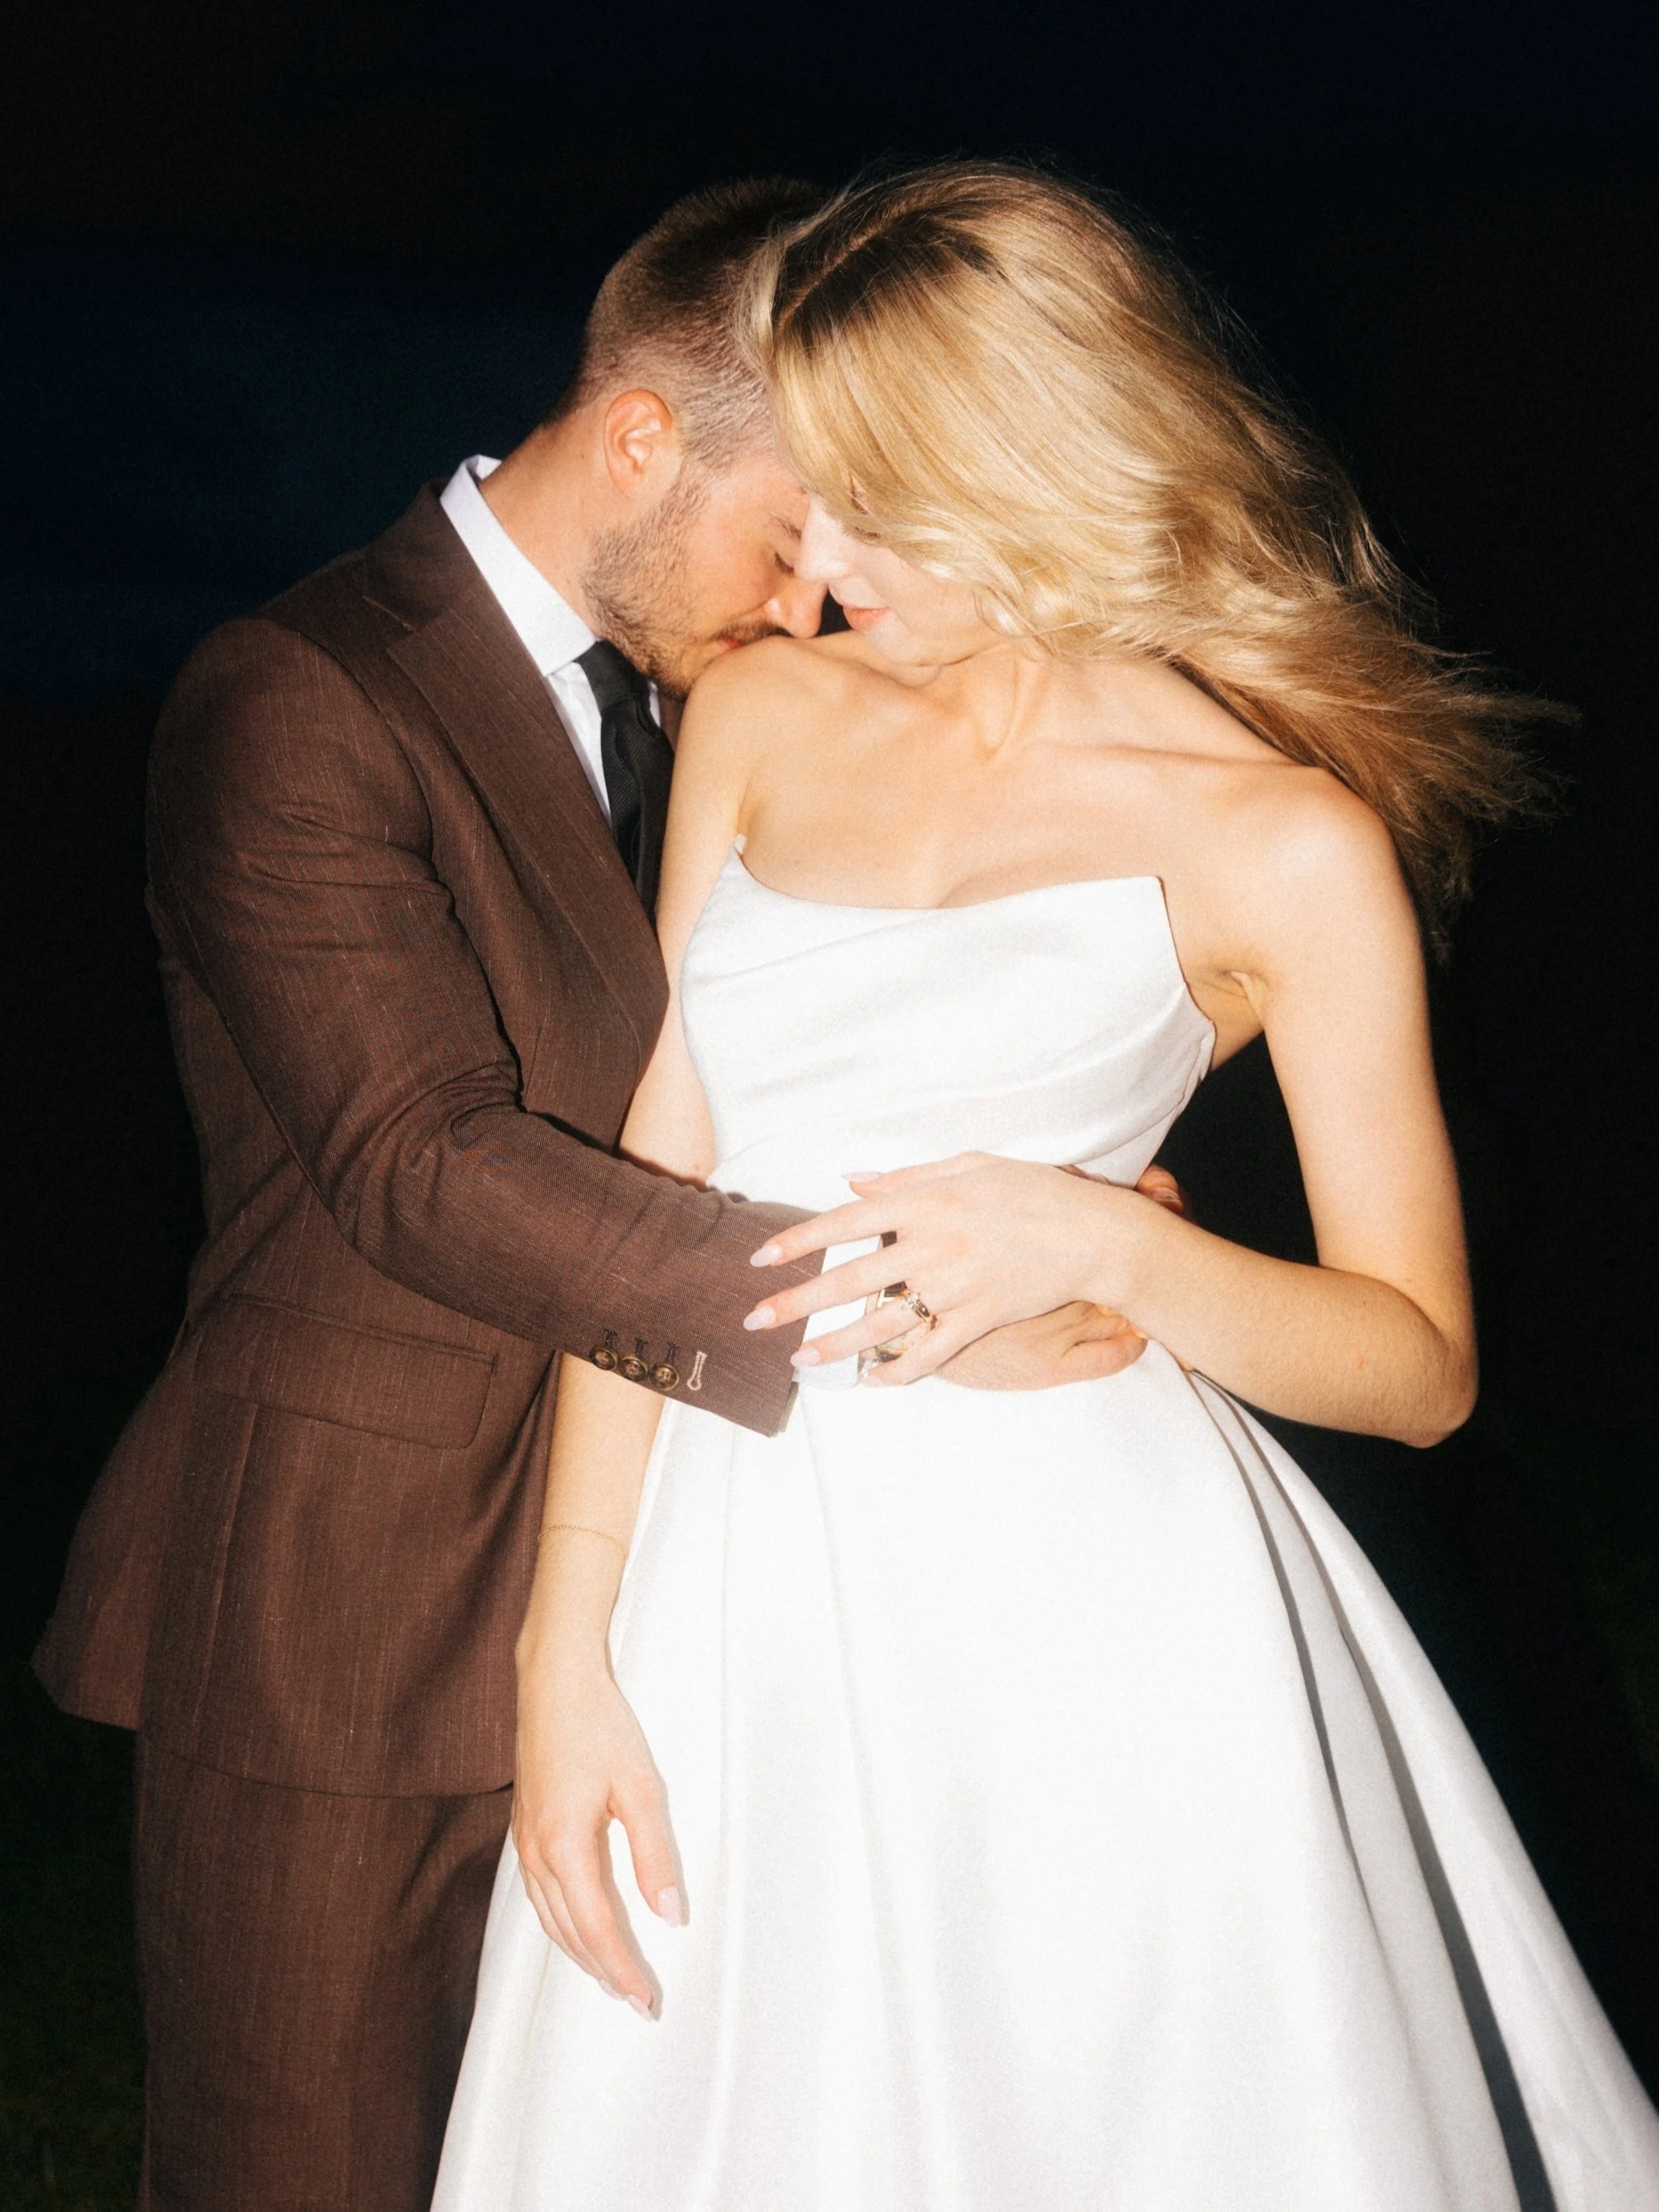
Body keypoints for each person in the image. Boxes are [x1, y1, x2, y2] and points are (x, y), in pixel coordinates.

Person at [434, 164, 1659, 2210]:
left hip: (1085, 1600)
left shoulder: (1280, 844)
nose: (814, 568)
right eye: (802, 501)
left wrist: (1098, 1239)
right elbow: (660, 1184)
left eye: (871, 505)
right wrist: (567, 1655)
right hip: (732, 1586)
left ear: (1029, 465)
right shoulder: (750, 717)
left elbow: (1419, 1362)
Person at [33, 179, 1159, 2212]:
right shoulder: (298, 692)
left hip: (683, 1597)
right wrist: (894, 1304)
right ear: (642, 436)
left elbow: (751, 1076)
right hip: (346, 1609)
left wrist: (1049, 1183)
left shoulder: (705, 704)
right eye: (788, 539)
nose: (817, 608)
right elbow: (416, 1163)